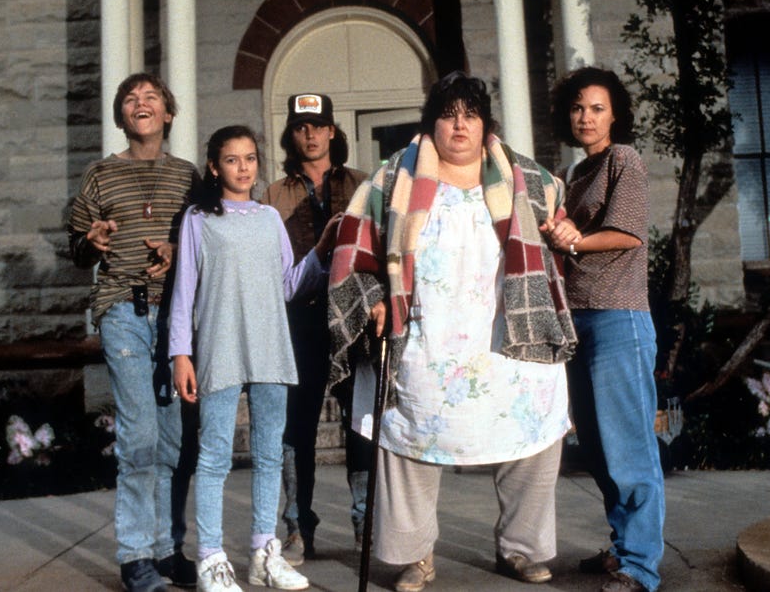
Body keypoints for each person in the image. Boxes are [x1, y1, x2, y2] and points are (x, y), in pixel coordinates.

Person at [328, 71, 576, 592]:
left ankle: (522, 548)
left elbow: (560, 234)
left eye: (470, 115)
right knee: (409, 444)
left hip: (511, 338)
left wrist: (567, 231)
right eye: (447, 115)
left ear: (486, 124)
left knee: (529, 439)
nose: (459, 125)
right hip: (426, 340)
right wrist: (375, 299)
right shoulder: (392, 180)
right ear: (431, 123)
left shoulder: (530, 180)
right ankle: (414, 557)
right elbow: (353, 252)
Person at [169, 125, 341, 592]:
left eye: (249, 158)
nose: (243, 168)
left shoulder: (268, 218)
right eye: (232, 159)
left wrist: (322, 250)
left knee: (269, 454)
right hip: (220, 346)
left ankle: (265, 554)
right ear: (214, 166)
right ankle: (210, 559)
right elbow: (184, 292)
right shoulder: (198, 219)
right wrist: (180, 354)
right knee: (214, 457)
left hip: (270, 346)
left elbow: (289, 284)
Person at [68, 72, 200, 592]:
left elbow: (202, 240)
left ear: (168, 113)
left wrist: (176, 249)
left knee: (171, 440)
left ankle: (166, 550)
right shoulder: (100, 174)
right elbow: (77, 249)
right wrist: (92, 240)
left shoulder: (189, 176)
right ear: (121, 116)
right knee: (140, 434)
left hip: (176, 317)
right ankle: (134, 556)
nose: (140, 103)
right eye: (130, 99)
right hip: (122, 309)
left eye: (150, 97)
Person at [546, 66, 664, 592]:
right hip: (578, 319)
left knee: (628, 447)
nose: (586, 117)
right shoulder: (574, 173)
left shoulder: (624, 160)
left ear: (615, 114)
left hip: (619, 317)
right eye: (577, 107)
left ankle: (641, 566)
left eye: (597, 108)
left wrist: (570, 239)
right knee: (595, 447)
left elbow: (628, 233)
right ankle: (623, 547)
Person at [261, 93, 371, 561]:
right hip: (300, 318)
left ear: (332, 131)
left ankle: (366, 523)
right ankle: (297, 527)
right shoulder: (274, 195)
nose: (310, 135)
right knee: (296, 425)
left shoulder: (363, 184)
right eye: (301, 127)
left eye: (318, 126)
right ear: (292, 134)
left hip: (354, 319)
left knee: (360, 421)